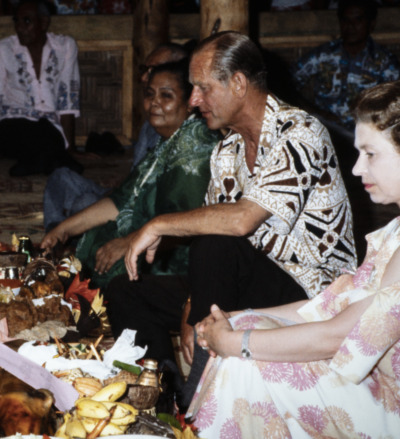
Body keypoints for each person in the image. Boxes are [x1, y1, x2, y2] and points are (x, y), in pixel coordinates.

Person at [187, 79, 400, 437]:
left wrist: (235, 343)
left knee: (243, 365)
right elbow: (334, 304)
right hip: (381, 390)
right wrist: (236, 318)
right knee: (242, 335)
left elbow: (340, 335)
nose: (358, 168)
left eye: (371, 154)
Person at [109, 31, 357, 382]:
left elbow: (241, 221)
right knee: (126, 291)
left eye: (203, 87)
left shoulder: (300, 132)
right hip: (245, 275)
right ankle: (162, 388)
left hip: (309, 287)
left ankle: (199, 402)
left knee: (217, 245)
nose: (193, 100)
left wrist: (157, 224)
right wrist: (191, 307)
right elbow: (215, 236)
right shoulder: (228, 151)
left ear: (238, 83)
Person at [40, 60, 221, 289]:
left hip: (173, 260)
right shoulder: (169, 143)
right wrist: (63, 230)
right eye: (150, 94)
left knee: (104, 274)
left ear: (189, 103)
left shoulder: (195, 146)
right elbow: (119, 201)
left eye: (166, 96)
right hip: (148, 240)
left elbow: (185, 223)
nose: (154, 102)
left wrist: (129, 242)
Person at [42, 43, 189, 231]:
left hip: (139, 207)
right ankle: (54, 233)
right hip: (125, 193)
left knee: (84, 203)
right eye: (145, 70)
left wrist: (119, 195)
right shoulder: (151, 121)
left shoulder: (189, 136)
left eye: (154, 70)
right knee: (61, 176)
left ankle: (69, 235)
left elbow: (149, 195)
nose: (145, 77)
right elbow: (138, 173)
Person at [0, 0, 83, 177]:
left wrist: (71, 147)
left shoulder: (65, 47)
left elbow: (67, 98)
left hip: (48, 126)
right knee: (33, 135)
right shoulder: (4, 48)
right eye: (17, 21)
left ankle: (38, 163)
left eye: (26, 21)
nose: (20, 27)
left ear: (43, 23)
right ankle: (53, 163)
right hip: (11, 123)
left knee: (47, 133)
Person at [292, 0, 400, 133]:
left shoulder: (384, 62)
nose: (350, 26)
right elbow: (287, 84)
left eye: (358, 20)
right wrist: (316, 113)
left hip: (366, 133)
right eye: (345, 20)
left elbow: (392, 105)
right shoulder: (323, 55)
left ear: (371, 24)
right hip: (325, 132)